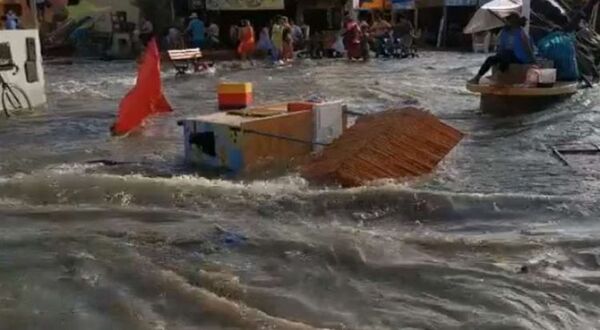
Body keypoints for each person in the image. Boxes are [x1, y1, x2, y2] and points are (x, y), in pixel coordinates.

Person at [469, 13, 535, 84]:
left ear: (515, 22)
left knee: (508, 53)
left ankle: (499, 75)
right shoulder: (504, 32)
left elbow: (528, 47)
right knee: (491, 59)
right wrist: (497, 56)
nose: (508, 22)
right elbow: (501, 47)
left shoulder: (521, 33)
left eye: (509, 20)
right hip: (506, 56)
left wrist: (532, 61)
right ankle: (477, 77)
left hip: (519, 58)